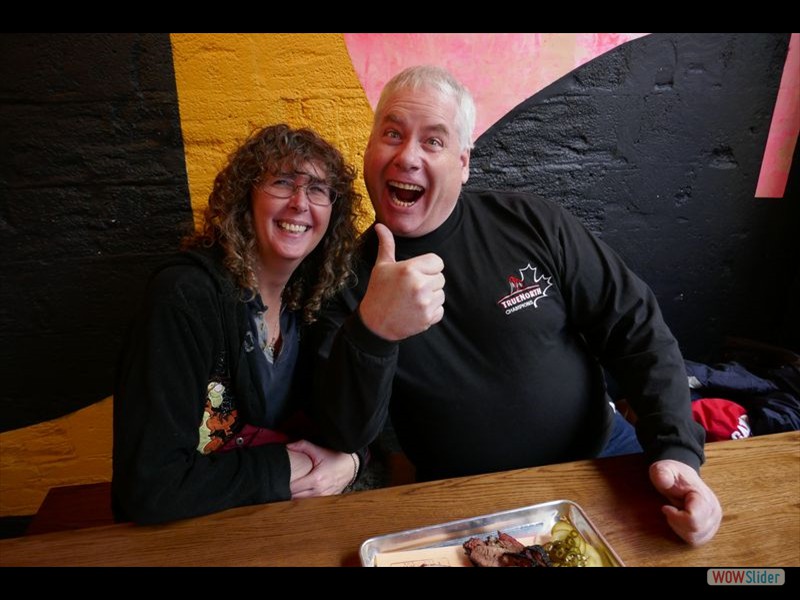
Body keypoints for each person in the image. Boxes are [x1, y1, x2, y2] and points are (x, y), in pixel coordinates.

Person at [311, 66, 722, 546]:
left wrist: (675, 450)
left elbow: (635, 326)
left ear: (463, 163)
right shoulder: (342, 279)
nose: (407, 157)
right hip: (464, 504)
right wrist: (374, 330)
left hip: (599, 458)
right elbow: (342, 431)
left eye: (434, 142)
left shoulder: (531, 223)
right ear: (369, 149)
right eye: (392, 134)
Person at [113, 124, 365, 524]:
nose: (301, 202)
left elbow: (348, 417)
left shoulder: (313, 300)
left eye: (318, 189)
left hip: (278, 523)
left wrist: (351, 460)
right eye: (283, 182)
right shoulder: (184, 298)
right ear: (244, 198)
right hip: (187, 537)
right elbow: (148, 487)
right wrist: (282, 466)